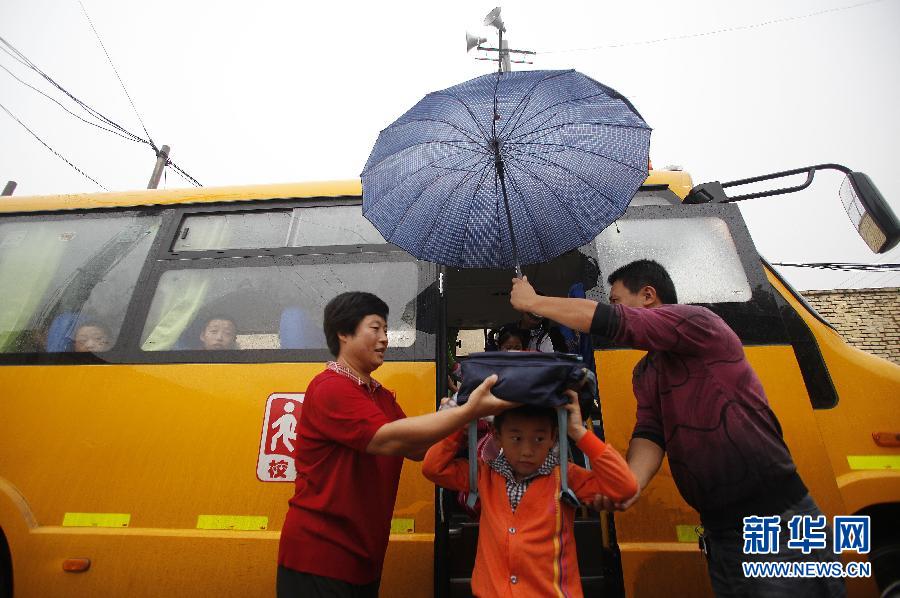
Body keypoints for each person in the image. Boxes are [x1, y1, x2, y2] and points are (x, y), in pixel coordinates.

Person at [509, 259, 845, 598]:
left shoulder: (698, 322)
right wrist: (630, 485)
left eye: (615, 299)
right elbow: (651, 434)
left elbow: (613, 322)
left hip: (777, 520)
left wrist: (534, 302)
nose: (613, 308)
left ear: (649, 296)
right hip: (721, 531)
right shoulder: (645, 372)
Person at [277, 291, 515, 598]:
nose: (385, 339)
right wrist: (467, 411)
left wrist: (456, 412)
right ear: (343, 333)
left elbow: (417, 449)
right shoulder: (330, 387)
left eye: (386, 331)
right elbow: (388, 439)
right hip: (320, 556)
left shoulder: (379, 395)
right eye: (375, 329)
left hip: (363, 558)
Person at [423, 392, 638, 597]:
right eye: (516, 438)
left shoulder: (565, 477)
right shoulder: (484, 474)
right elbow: (433, 468)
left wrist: (579, 432)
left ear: (554, 437)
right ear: (497, 437)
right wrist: (460, 423)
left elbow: (625, 486)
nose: (527, 451)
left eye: (539, 439)